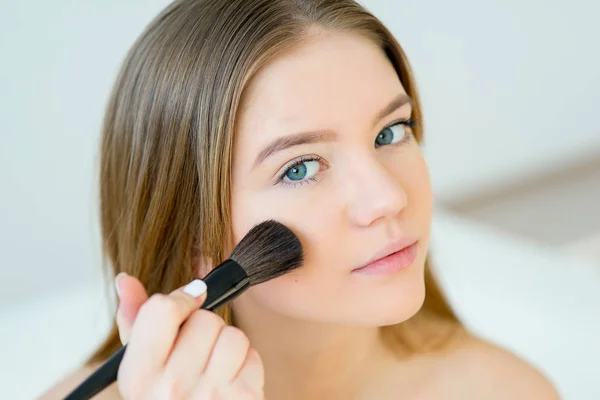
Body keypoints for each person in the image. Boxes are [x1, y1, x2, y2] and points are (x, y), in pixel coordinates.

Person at [43, 0, 560, 398]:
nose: (387, 197)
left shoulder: (502, 389)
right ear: (193, 229)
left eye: (390, 133)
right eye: (300, 168)